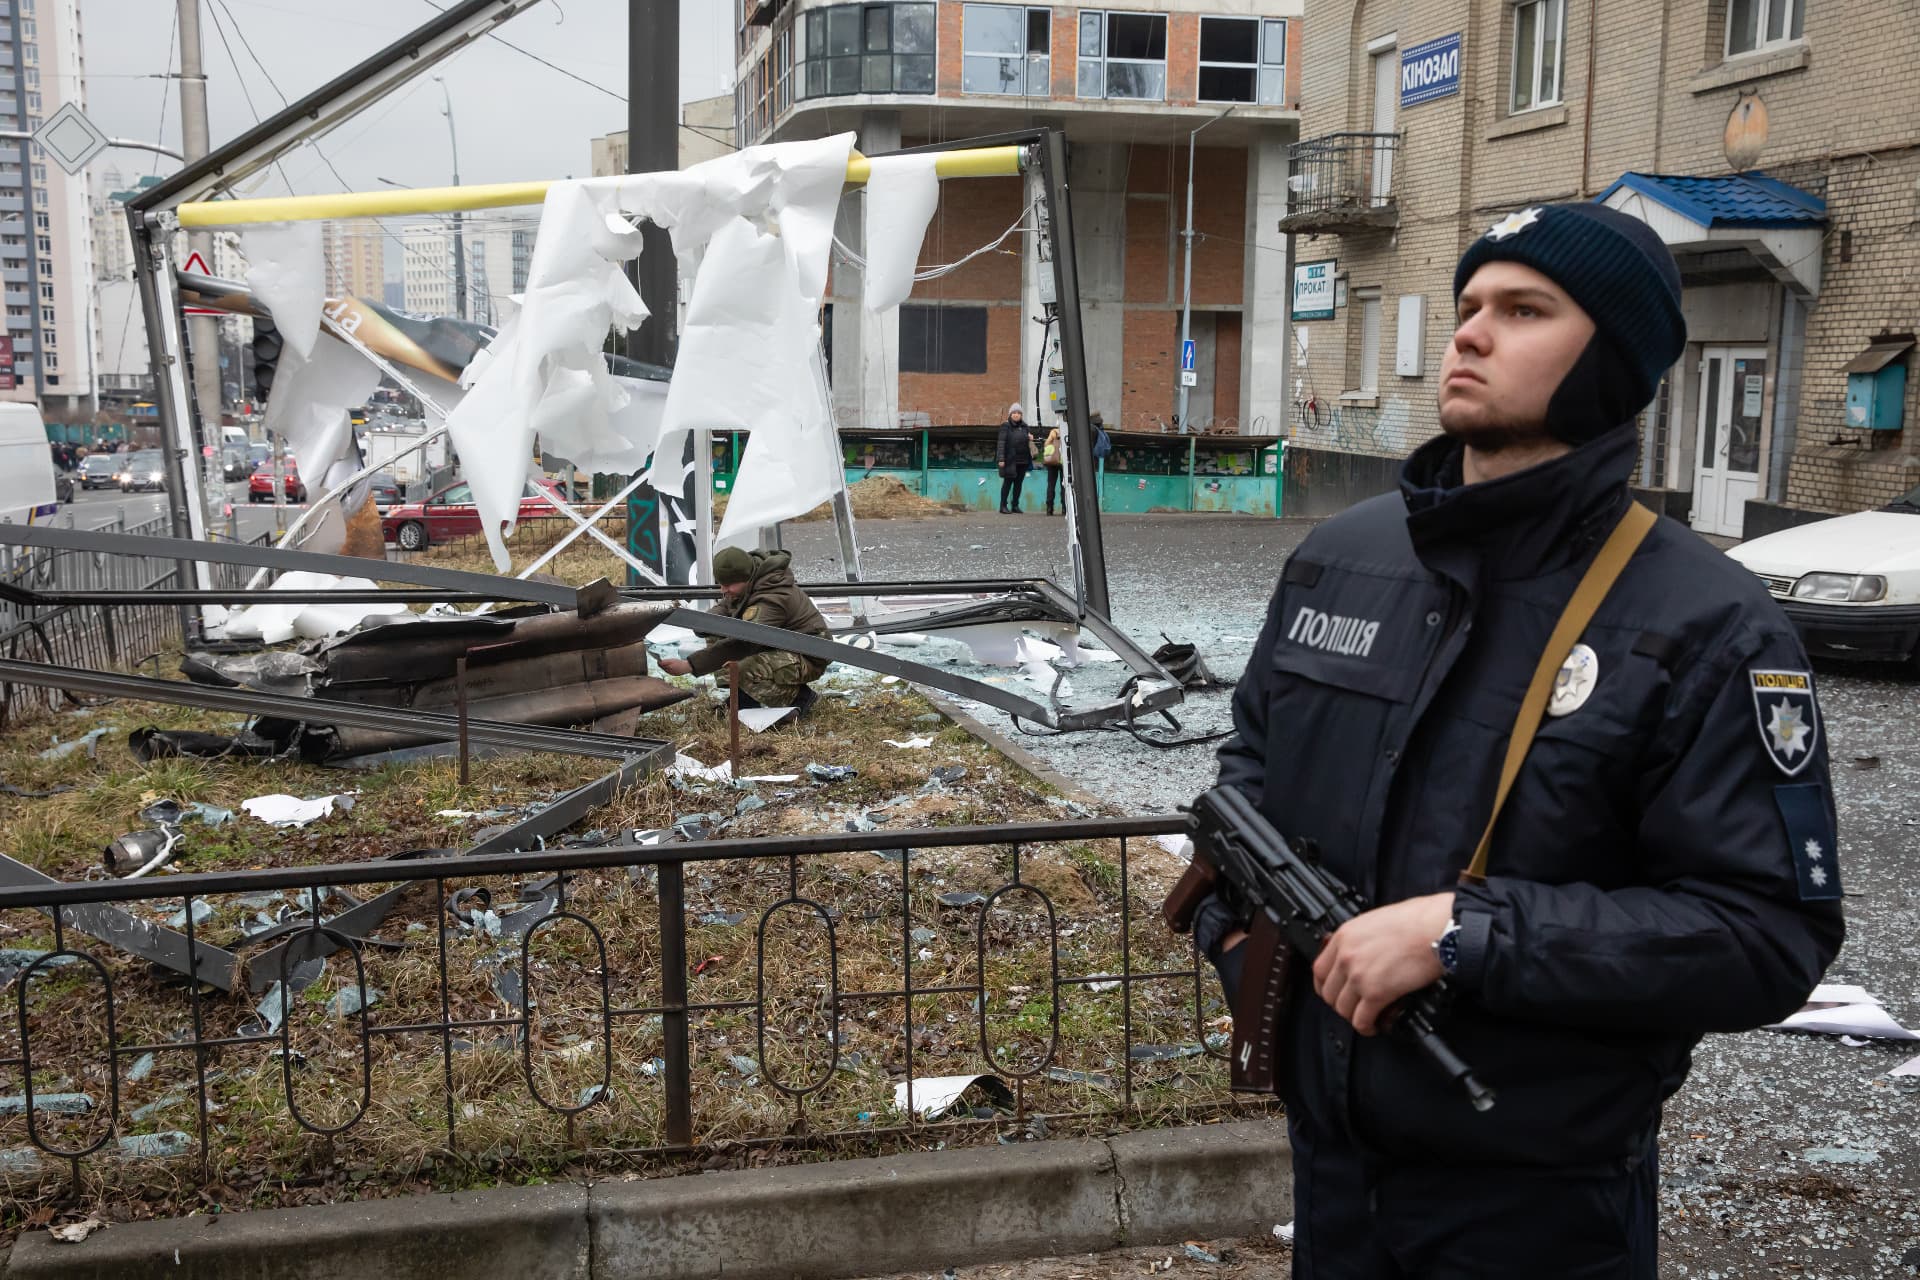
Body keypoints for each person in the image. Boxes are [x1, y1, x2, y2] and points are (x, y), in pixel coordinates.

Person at [1197, 203, 1844, 1278]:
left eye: (1523, 309)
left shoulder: (1708, 622)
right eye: (1466, 306)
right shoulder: (1342, 557)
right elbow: (1246, 778)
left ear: (1612, 360)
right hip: (1332, 1178)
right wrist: (1234, 945)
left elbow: (1765, 931)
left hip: (1536, 1208)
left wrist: (1466, 933)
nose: (1470, 333)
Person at [658, 546, 830, 714]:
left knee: (744, 667)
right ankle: (744, 698)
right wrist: (704, 624)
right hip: (779, 646)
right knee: (715, 635)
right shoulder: (751, 580)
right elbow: (726, 607)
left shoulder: (773, 599)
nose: (723, 590)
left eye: (728, 585)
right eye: (721, 584)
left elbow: (744, 643)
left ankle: (802, 699)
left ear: (746, 578)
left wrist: (690, 665)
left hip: (808, 656)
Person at [996, 402, 1033, 514]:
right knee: (1007, 483)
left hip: (1023, 460)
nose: (1016, 415)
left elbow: (1026, 442)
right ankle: (1003, 506)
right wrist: (1001, 459)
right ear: (1010, 414)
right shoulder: (1005, 426)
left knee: (1018, 484)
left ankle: (1015, 505)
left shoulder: (1025, 427)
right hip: (1010, 460)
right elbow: (1001, 443)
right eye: (1014, 413)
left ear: (1021, 415)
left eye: (1018, 413)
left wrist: (1029, 438)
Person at [1040, 419, 1066, 515]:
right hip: (1064, 462)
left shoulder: (1053, 432)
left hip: (1052, 461)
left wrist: (1052, 441)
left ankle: (1049, 508)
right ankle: (1065, 509)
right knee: (1064, 486)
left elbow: (1046, 444)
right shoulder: (1069, 432)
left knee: (1051, 485)